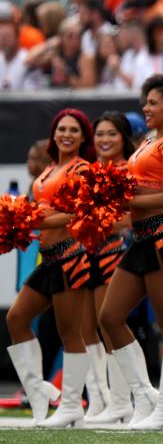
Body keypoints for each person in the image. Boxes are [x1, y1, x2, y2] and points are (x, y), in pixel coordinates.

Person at [97, 75, 163, 431]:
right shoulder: (147, 143)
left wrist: (126, 197)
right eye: (146, 102)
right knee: (110, 317)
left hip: (162, 239)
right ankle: (145, 396)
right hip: (139, 239)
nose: (146, 107)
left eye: (153, 103)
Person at [4, 109, 96, 427]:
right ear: (53, 134)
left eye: (73, 130)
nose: (66, 134)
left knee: (70, 333)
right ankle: (39, 390)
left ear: (84, 137)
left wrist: (32, 218)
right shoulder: (50, 170)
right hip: (49, 258)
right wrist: (19, 217)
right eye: (61, 129)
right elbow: (40, 211)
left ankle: (72, 405)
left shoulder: (83, 169)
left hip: (70, 256)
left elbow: (76, 215)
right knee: (16, 318)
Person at [82, 112, 137, 425]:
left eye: (111, 134)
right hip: (86, 252)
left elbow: (131, 215)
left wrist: (102, 224)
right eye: (99, 134)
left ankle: (121, 400)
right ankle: (99, 399)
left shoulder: (128, 170)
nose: (104, 140)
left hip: (113, 251)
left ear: (123, 139)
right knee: (84, 327)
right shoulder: (92, 171)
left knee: (108, 323)